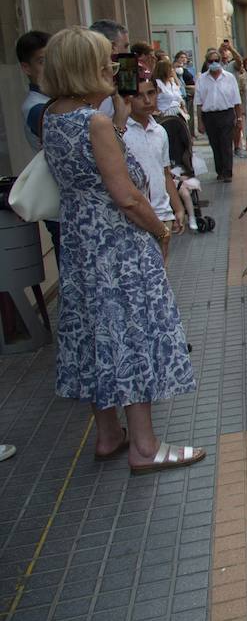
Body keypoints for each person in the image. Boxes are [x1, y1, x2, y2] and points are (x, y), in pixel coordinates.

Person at [40, 26, 202, 474]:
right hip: (117, 244)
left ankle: (109, 434)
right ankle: (145, 447)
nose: (113, 68)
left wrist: (114, 112)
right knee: (133, 334)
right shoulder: (93, 123)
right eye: (104, 61)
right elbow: (126, 195)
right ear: (84, 68)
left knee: (97, 334)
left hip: (80, 242)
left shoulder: (51, 115)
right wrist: (161, 231)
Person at [125, 75, 187, 264]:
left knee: (161, 268)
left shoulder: (160, 131)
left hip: (162, 212)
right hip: (136, 217)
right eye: (138, 95)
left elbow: (165, 172)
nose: (147, 100)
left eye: (151, 93)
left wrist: (178, 208)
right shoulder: (120, 132)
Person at [19, 30, 60, 261]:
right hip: (61, 210)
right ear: (27, 68)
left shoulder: (57, 99)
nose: (51, 67)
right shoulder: (36, 108)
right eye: (42, 61)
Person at [194, 48, 243, 182]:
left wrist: (239, 118)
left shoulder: (229, 77)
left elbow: (236, 99)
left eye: (216, 60)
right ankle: (220, 170)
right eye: (211, 61)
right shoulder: (202, 79)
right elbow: (198, 102)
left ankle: (227, 172)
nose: (214, 63)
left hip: (226, 114)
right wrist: (200, 122)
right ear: (207, 63)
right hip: (209, 115)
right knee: (215, 144)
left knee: (226, 143)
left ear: (220, 61)